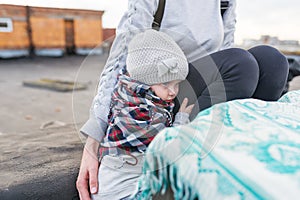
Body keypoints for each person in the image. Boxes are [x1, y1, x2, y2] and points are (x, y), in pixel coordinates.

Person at [77, 0, 289, 199]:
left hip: (201, 86)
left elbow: (226, 51)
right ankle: (194, 154)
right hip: (160, 96)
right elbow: (122, 56)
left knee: (273, 61)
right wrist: (94, 138)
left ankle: (249, 158)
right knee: (241, 65)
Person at [94, 29, 193, 199]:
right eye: (166, 84)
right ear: (145, 80)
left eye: (177, 85)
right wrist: (181, 120)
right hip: (120, 190)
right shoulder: (137, 112)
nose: (173, 92)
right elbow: (163, 147)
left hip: (131, 179)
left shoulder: (132, 94)